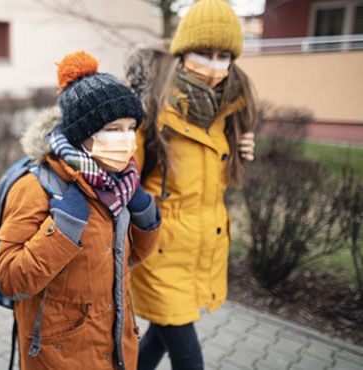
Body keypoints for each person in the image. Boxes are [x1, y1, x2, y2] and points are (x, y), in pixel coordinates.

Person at [0, 50, 161, 369]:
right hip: (59, 356)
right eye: (113, 128)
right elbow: (11, 279)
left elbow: (132, 257)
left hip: (117, 346)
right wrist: (64, 228)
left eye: (131, 128)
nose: (126, 140)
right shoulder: (38, 186)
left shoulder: (120, 183)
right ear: (82, 132)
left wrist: (145, 215)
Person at [124, 0, 257, 368]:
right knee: (189, 359)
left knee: (157, 340)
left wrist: (240, 149)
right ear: (183, 52)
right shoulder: (151, 107)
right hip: (158, 253)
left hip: (201, 252)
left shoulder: (227, 111)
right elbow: (123, 179)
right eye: (203, 52)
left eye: (223, 55)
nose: (213, 65)